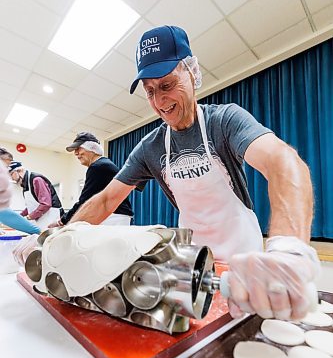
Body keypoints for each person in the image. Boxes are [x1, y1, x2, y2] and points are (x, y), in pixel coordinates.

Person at [16, 25, 320, 322]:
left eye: (166, 85)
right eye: (149, 92)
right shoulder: (150, 147)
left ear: (192, 72)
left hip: (245, 260)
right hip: (190, 261)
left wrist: (289, 248)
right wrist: (54, 240)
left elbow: (282, 161)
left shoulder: (224, 121)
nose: (160, 102)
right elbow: (107, 201)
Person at [48, 132, 133, 228]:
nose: (76, 153)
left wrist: (61, 221)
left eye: (78, 149)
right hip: (116, 216)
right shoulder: (103, 164)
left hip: (113, 217)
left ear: (92, 148)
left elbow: (84, 202)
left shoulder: (98, 167)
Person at [8, 161, 63, 231]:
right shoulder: (25, 184)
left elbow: (46, 204)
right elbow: (32, 205)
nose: (11, 178)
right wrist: (20, 216)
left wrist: (29, 217)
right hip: (42, 219)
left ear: (19, 171)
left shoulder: (36, 180)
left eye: (11, 174)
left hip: (52, 217)